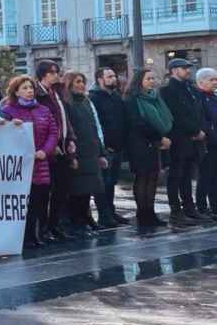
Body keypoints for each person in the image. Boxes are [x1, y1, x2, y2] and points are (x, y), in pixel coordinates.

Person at [0, 76, 57, 249]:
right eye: (24, 88)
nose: (29, 91)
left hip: (40, 162)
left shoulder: (44, 110)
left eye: (31, 88)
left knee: (40, 202)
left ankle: (36, 234)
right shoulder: (8, 111)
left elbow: (53, 133)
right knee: (24, 203)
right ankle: (24, 237)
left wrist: (44, 151)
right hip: (21, 165)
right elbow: (2, 135)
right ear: (16, 91)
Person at [160, 58, 207, 225]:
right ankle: (176, 211)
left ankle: (189, 207)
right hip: (178, 139)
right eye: (184, 68)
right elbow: (176, 115)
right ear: (173, 71)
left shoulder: (190, 88)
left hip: (192, 139)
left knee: (187, 175)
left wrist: (200, 130)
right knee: (175, 176)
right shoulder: (167, 90)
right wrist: (195, 130)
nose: (188, 71)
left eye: (188, 68)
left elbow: (197, 112)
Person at [60, 72, 107, 238]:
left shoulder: (86, 101)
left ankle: (82, 222)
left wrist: (101, 153)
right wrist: (72, 155)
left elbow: (94, 128)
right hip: (78, 153)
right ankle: (75, 223)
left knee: (87, 191)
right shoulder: (66, 103)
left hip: (91, 152)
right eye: (78, 81)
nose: (81, 85)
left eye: (83, 81)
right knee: (76, 192)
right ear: (70, 83)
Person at [34, 59, 76, 242]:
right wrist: (52, 145)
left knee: (62, 190)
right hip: (49, 150)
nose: (56, 75)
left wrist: (71, 139)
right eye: (53, 72)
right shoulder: (38, 94)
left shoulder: (57, 93)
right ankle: (43, 228)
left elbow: (65, 118)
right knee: (46, 193)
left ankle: (54, 225)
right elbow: (42, 123)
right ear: (44, 74)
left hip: (64, 146)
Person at [125, 69, 172, 227]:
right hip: (139, 143)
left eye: (153, 78)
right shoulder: (132, 99)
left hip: (154, 143)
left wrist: (161, 137)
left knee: (152, 178)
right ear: (139, 81)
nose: (152, 81)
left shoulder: (154, 97)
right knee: (142, 178)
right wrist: (159, 138)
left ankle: (151, 213)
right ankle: (142, 214)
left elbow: (162, 117)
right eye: (148, 78)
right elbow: (137, 123)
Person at [89, 68, 130, 227]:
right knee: (103, 183)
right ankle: (105, 215)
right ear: (100, 79)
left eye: (114, 76)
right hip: (106, 148)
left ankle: (111, 212)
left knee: (112, 182)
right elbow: (98, 125)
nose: (114, 79)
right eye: (110, 76)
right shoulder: (94, 98)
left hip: (118, 147)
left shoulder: (116, 97)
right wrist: (105, 146)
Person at [195, 68, 217, 219]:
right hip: (207, 143)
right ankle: (202, 207)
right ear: (201, 81)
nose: (215, 83)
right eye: (212, 80)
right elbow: (203, 120)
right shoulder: (199, 97)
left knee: (214, 177)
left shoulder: (213, 97)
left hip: (215, 141)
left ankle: (214, 207)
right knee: (205, 176)